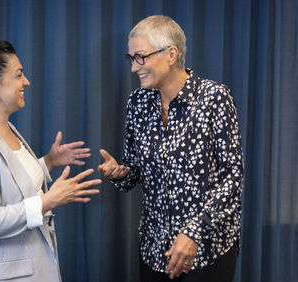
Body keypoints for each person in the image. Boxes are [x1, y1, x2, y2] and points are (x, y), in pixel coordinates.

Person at [98, 15, 244, 282]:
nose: (134, 67)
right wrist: (120, 173)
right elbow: (137, 170)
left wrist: (194, 233)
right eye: (131, 58)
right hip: (155, 251)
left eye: (140, 57)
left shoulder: (214, 98)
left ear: (171, 54)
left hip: (205, 250)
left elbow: (232, 177)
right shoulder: (137, 103)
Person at [0, 39, 101, 282]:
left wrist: (48, 161)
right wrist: (48, 201)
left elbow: (12, 182)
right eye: (18, 75)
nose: (26, 82)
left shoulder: (7, 129)